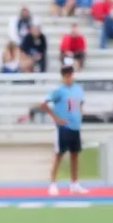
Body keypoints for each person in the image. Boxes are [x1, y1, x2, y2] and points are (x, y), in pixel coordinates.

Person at [39, 65, 86, 195]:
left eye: (70, 75)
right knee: (59, 155)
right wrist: (56, 118)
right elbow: (43, 104)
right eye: (65, 75)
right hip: (63, 127)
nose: (68, 78)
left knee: (75, 155)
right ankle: (53, 183)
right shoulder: (58, 90)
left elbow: (79, 104)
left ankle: (74, 183)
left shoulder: (77, 89)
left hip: (75, 127)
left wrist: (80, 117)